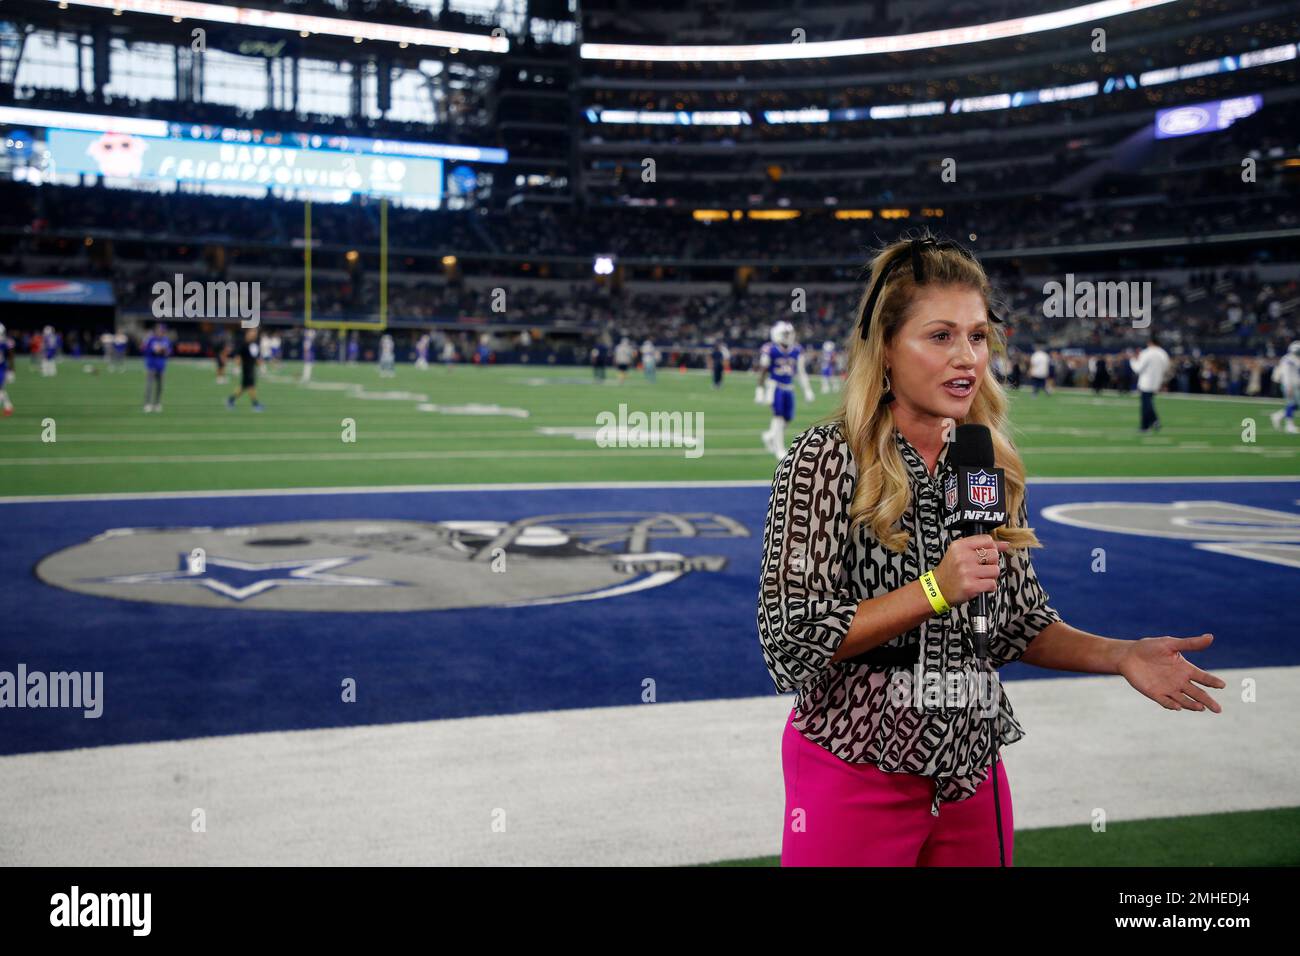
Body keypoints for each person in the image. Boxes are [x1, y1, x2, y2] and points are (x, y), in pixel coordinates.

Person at [758, 235, 1224, 868]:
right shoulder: (825, 460)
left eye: (977, 337)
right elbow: (791, 635)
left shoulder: (987, 466)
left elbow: (1017, 625)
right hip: (854, 764)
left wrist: (1121, 655)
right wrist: (933, 589)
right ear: (887, 350)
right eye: (941, 336)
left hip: (970, 768)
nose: (967, 357)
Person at [756, 321, 813, 459]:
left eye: (789, 333)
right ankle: (779, 449)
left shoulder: (797, 350)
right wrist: (760, 390)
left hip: (789, 387)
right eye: (785, 334)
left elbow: (800, 372)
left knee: (788, 418)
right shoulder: (770, 349)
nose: (788, 336)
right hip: (775, 387)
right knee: (778, 417)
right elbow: (763, 371)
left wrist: (807, 390)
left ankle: (769, 436)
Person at [1129, 334, 1171, 433]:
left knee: (1146, 404)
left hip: (1146, 382)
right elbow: (1166, 368)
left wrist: (1132, 361)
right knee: (1149, 402)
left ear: (1150, 343)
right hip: (1157, 382)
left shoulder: (1146, 353)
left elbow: (1138, 368)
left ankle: (1146, 426)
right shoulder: (1163, 353)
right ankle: (1154, 421)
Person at [226, 327, 265, 411]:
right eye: (252, 333)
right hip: (246, 368)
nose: (254, 335)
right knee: (251, 386)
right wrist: (237, 367)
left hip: (251, 368)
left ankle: (230, 400)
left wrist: (261, 366)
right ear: (248, 334)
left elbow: (256, 357)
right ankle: (255, 404)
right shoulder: (243, 343)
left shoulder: (255, 344)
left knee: (243, 387)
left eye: (255, 333)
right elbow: (237, 355)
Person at [1270, 341, 1300, 434]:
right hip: (1289, 385)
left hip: (1295, 385)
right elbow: (1286, 375)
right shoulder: (1288, 360)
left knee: (1296, 405)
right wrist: (1289, 386)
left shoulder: (1295, 359)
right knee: (1291, 404)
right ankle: (1289, 425)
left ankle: (1278, 416)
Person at [141, 323, 171, 413]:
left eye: (162, 331)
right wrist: (153, 350)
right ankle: (147, 403)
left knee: (160, 386)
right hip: (151, 365)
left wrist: (165, 351)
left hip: (161, 366)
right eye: (159, 330)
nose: (160, 332)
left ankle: (157, 403)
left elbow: (169, 351)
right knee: (149, 386)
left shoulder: (166, 340)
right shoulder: (151, 339)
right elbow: (144, 350)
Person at [0, 322, 13, 417]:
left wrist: (11, 370)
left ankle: (8, 407)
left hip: (1, 369)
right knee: (1, 390)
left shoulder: (5, 343)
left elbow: (10, 356)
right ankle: (8, 406)